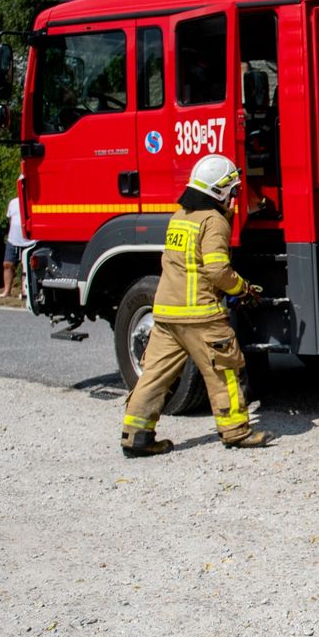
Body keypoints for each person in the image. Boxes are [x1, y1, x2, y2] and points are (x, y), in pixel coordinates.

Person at [119, 154, 273, 456]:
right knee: (224, 371)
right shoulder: (213, 221)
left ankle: (136, 436)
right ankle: (236, 431)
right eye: (232, 191)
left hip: (166, 313)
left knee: (154, 376)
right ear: (219, 191)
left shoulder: (180, 216)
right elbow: (216, 270)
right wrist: (242, 288)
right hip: (200, 314)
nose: (234, 197)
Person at [0, 191, 32, 300]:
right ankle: (7, 291)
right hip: (13, 239)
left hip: (29, 241)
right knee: (7, 264)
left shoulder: (32, 202)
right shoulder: (13, 202)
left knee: (25, 266)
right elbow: (10, 220)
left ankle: (25, 293)